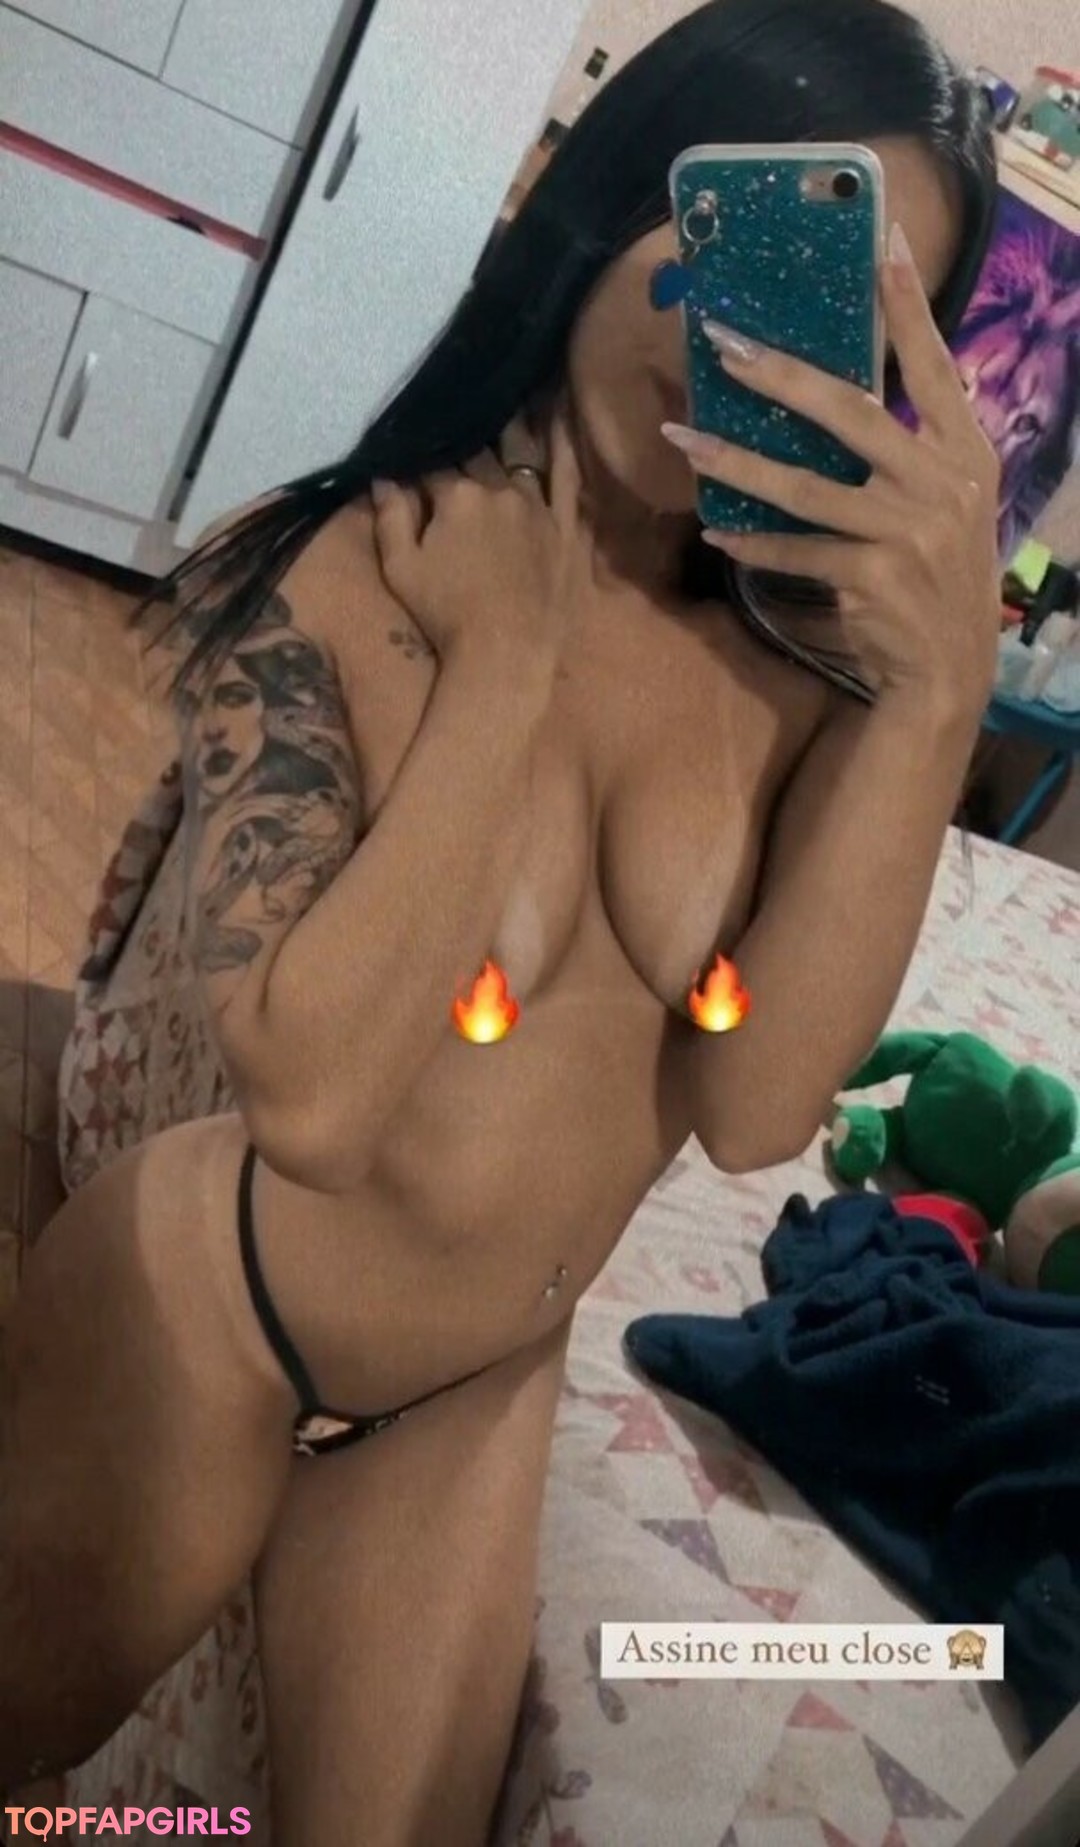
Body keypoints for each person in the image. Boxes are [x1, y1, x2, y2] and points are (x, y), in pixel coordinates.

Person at [1, 0, 1002, 1840]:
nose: (731, 353)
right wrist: (504, 671)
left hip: (473, 1383)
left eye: (820, 324)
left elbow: (758, 1105)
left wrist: (940, 698)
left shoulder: (803, 684)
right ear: (616, 200)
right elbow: (312, 1099)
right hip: (222, 1309)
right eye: (723, 245)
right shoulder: (377, 557)